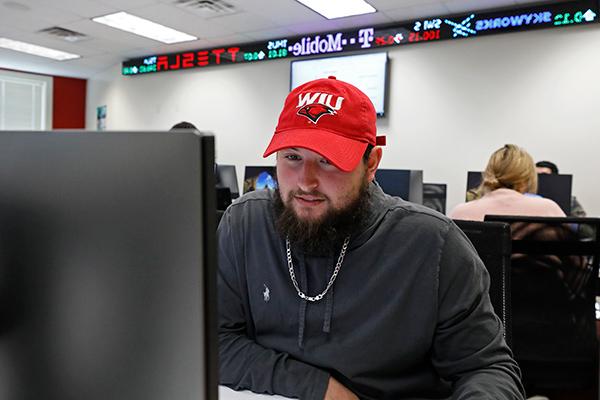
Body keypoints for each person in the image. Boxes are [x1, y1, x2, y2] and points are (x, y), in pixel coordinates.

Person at [218, 76, 524, 399]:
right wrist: (319, 388)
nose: (306, 182)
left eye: (328, 160)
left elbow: (486, 369)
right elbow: (214, 340)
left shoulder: (433, 245)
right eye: (292, 157)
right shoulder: (245, 224)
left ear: (372, 164)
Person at [450, 145, 565, 221]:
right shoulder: (549, 210)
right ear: (528, 176)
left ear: (488, 173)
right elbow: (572, 256)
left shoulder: (460, 213)